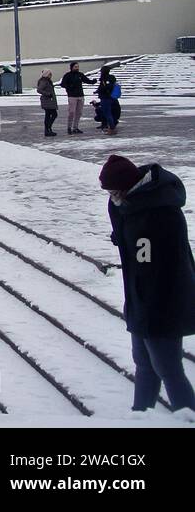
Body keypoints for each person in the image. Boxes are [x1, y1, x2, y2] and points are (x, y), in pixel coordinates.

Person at [100, 155, 195, 413]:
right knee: (143, 363)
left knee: (168, 368)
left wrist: (129, 237)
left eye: (112, 191)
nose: (111, 196)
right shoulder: (136, 205)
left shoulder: (157, 214)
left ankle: (188, 417)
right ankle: (140, 416)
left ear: (127, 187)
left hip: (162, 304)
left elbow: (152, 265)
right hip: (142, 301)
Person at [59, 62, 86, 134]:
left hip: (80, 95)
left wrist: (93, 81)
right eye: (75, 67)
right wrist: (69, 87)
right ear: (72, 67)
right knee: (72, 112)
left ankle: (75, 127)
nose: (77, 68)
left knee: (79, 112)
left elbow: (86, 80)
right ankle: (69, 127)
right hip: (72, 96)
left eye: (78, 67)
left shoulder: (80, 74)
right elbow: (62, 84)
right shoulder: (67, 75)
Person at [97, 66, 121, 135]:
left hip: (105, 98)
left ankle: (112, 129)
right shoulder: (111, 78)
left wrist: (100, 90)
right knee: (108, 113)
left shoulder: (104, 79)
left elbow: (104, 88)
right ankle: (112, 127)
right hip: (111, 97)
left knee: (107, 113)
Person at [36, 69, 58, 137]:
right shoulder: (44, 81)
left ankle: (48, 130)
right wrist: (48, 94)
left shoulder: (47, 81)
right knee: (53, 114)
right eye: (49, 74)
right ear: (46, 74)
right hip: (47, 101)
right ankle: (48, 129)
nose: (51, 76)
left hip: (49, 101)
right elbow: (39, 90)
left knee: (48, 115)